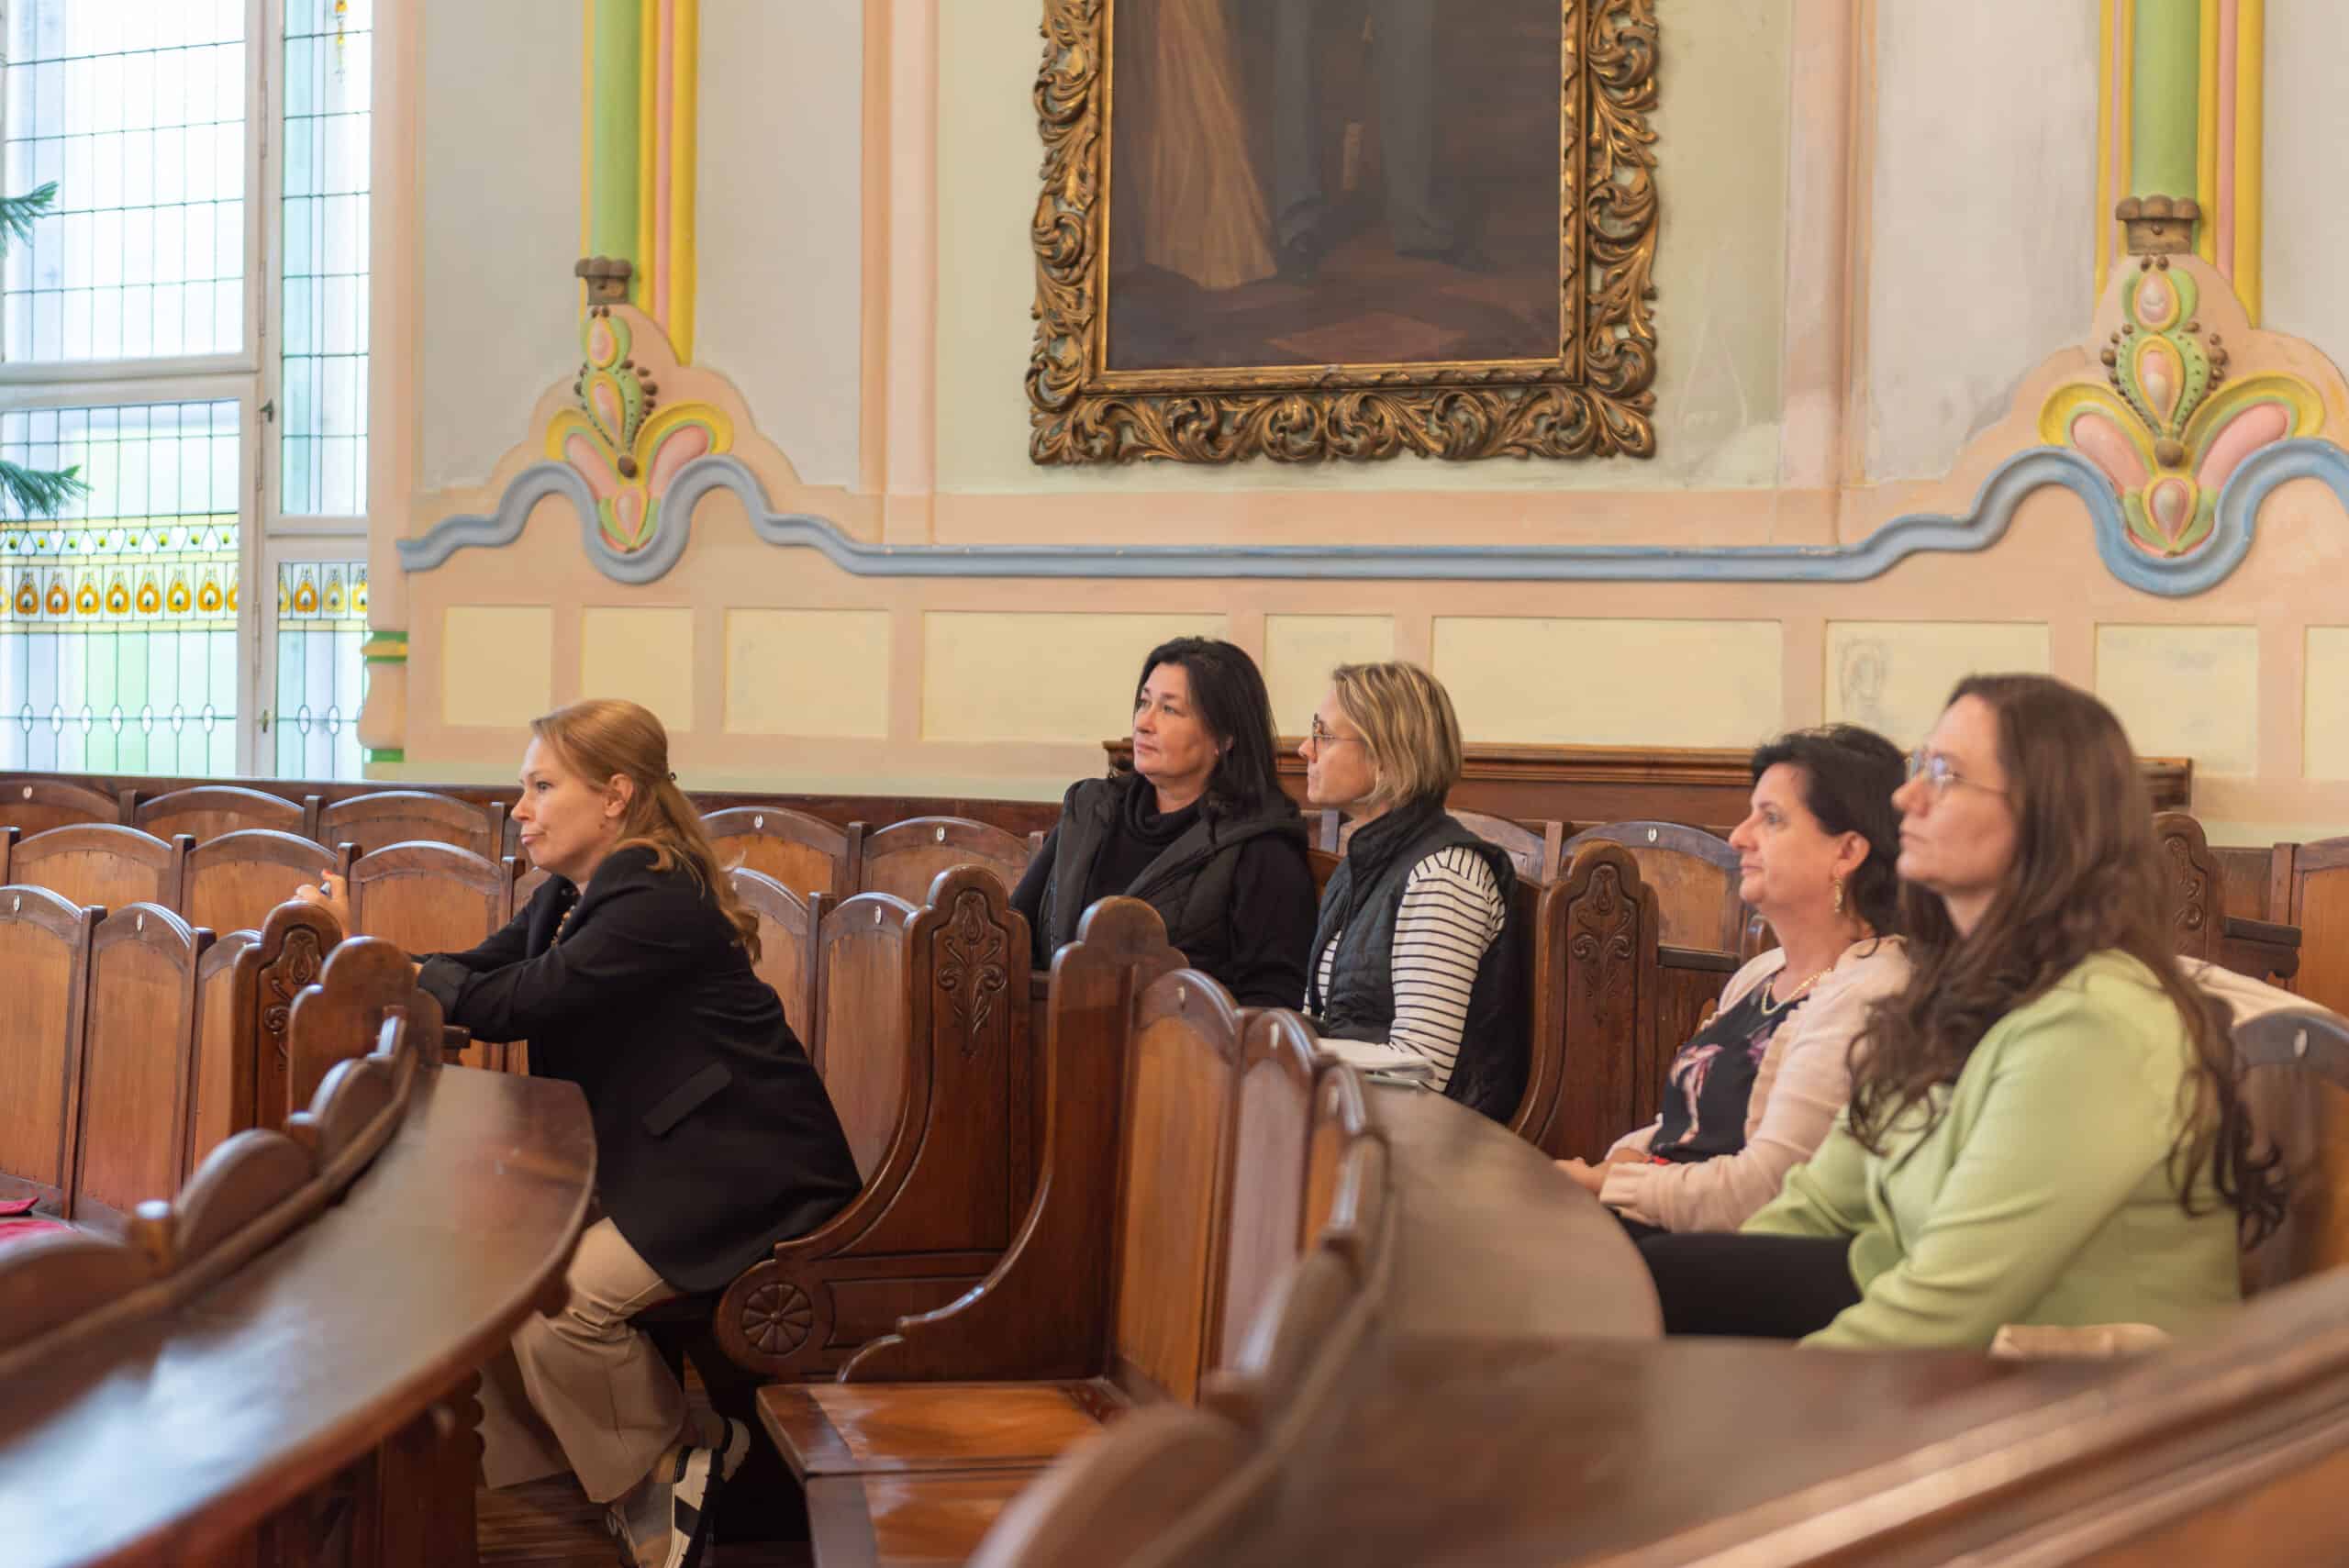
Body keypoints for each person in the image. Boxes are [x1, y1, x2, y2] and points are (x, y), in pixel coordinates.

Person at [297, 699, 862, 1568]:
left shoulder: (654, 892)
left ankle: (667, 1474)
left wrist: (369, 959)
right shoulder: (572, 892)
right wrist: (368, 956)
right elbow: (479, 971)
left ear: (615, 796)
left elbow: (522, 1002)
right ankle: (672, 1465)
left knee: (557, 1311)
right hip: (668, 1157)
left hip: (744, 1168)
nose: (519, 808)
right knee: (491, 1289)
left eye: (541, 786)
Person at [1638, 675, 2287, 1349]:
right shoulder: (1947, 990)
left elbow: (1946, 1307)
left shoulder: (2095, 1025)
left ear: (2044, 816)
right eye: (1919, 766)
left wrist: (1753, 1388)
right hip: (1923, 1310)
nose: (1905, 796)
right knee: (1654, 1282)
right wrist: (1716, 1290)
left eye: (1944, 775)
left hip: (2073, 1380)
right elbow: (1819, 1205)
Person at [1557, 726, 1910, 1234]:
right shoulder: (1760, 974)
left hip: (1736, 1249)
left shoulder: (1870, 991)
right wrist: (1622, 1158)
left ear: (1847, 852)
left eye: (1771, 818)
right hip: (1665, 1215)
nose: (1738, 837)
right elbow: (1687, 1128)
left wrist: (1603, 1184)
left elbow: (1764, 1190)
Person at [1011, 638, 1317, 1006]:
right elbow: (1013, 933)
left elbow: (1273, 1002)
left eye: (1170, 709)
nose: (1143, 723)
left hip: (1182, 1042)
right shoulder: (1091, 810)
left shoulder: (1261, 845)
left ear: (1224, 737)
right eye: (1144, 703)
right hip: (1047, 1032)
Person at [1298, 661, 1522, 1118]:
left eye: (1323, 735)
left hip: (1428, 1135)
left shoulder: (1444, 875)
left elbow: (1423, 1068)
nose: (1305, 749)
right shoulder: (1359, 866)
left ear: (1386, 756)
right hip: (1354, 1116)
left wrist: (1300, 1056)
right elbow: (1321, 1019)